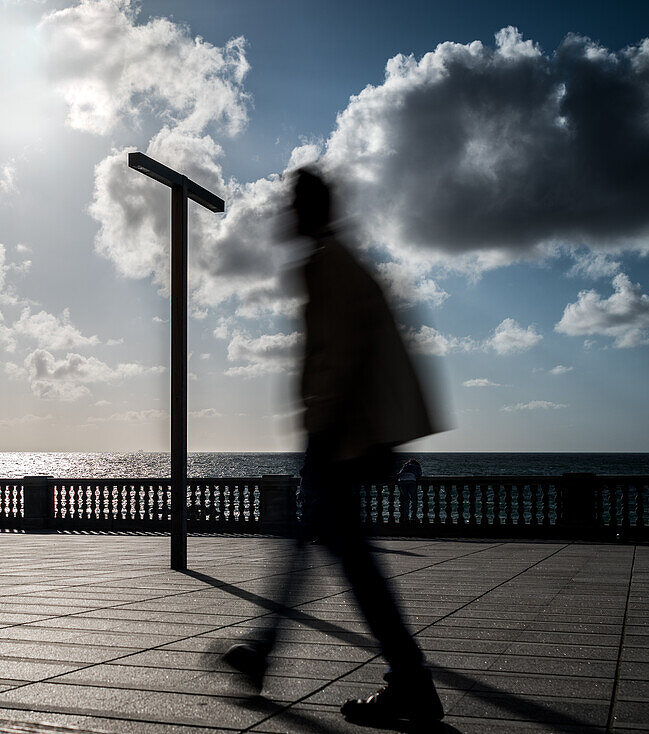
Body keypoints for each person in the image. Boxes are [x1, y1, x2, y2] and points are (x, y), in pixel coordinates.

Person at [223, 168, 444, 727]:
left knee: (349, 563)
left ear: (309, 209)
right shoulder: (341, 262)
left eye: (293, 205)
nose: (286, 215)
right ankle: (265, 649)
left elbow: (338, 360)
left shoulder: (328, 266)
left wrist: (321, 437)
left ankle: (410, 682)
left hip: (338, 437)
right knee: (317, 547)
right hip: (343, 435)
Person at [397, 458, 423, 524]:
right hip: (411, 480)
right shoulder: (417, 466)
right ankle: (413, 517)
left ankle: (406, 517)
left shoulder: (405, 466)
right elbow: (419, 475)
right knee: (414, 499)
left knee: (406, 500)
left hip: (402, 481)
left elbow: (399, 474)